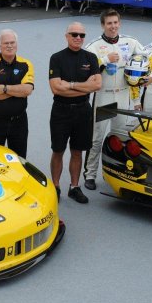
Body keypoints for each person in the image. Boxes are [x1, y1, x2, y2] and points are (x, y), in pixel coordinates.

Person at [82, 9, 146, 191]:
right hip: (105, 96)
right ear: (103, 25)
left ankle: (119, 173)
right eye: (109, 23)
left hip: (124, 95)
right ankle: (90, 174)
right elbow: (85, 68)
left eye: (115, 23)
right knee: (97, 138)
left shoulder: (131, 42)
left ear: (120, 23)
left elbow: (148, 60)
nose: (113, 26)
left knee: (121, 138)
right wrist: (105, 59)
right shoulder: (94, 46)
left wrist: (150, 78)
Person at [49, 22, 101, 203]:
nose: (78, 38)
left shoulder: (91, 58)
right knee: (58, 150)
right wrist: (84, 86)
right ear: (67, 36)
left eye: (82, 35)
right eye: (74, 34)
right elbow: (56, 88)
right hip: (60, 111)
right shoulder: (56, 58)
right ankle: (55, 187)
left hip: (83, 111)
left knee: (77, 151)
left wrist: (70, 85)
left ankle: (74, 187)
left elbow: (97, 85)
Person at [0, 29, 34, 157]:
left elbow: (28, 90)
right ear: (0, 46)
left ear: (17, 44)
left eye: (12, 42)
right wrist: (18, 90)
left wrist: (4, 89)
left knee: (19, 160)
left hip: (19, 122)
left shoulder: (26, 64)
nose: (9, 46)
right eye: (6, 43)